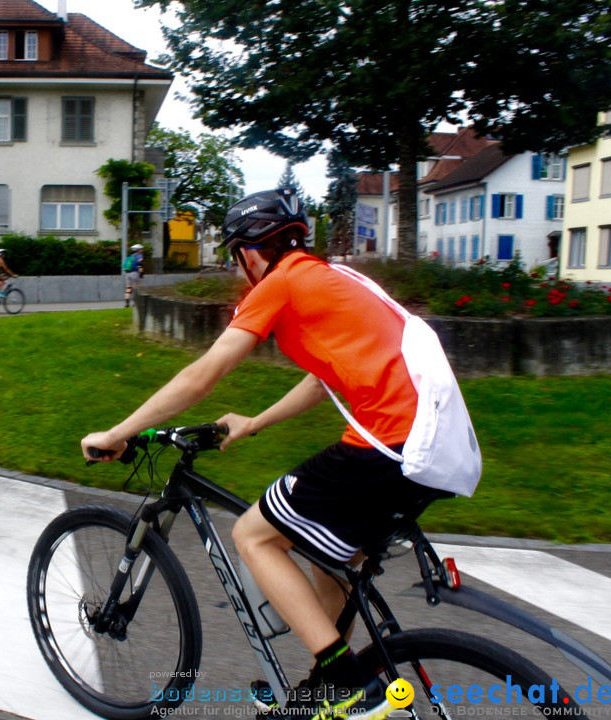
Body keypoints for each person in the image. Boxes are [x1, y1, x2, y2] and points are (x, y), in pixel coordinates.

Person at [82, 187, 456, 720]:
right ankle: (329, 689)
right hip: (433, 448)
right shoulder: (333, 277)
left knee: (253, 534)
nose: (241, 270)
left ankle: (340, 678)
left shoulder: (280, 282)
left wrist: (119, 432)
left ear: (250, 251)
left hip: (389, 443)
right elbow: (321, 380)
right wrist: (254, 423)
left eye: (237, 257)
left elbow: (200, 377)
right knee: (333, 559)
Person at [123, 243, 144, 307]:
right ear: (138, 250)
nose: (142, 250)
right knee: (136, 288)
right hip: (135, 274)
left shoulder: (129, 257)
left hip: (127, 274)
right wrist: (141, 274)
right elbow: (140, 265)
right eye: (141, 249)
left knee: (128, 288)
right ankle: (135, 303)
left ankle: (127, 302)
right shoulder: (140, 256)